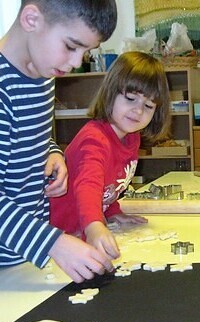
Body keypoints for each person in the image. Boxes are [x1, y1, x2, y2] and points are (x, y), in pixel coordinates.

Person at [0, 0, 118, 283]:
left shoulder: (43, 74)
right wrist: (53, 243)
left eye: (86, 51)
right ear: (31, 19)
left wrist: (52, 152)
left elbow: (23, 136)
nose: (77, 62)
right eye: (71, 46)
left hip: (25, 260)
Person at [50, 51, 170, 258]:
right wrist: (95, 226)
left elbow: (109, 183)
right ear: (110, 93)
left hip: (81, 231)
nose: (138, 111)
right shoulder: (95, 139)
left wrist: (112, 212)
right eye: (131, 98)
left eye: (148, 106)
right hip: (59, 235)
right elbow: (88, 185)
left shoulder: (131, 137)